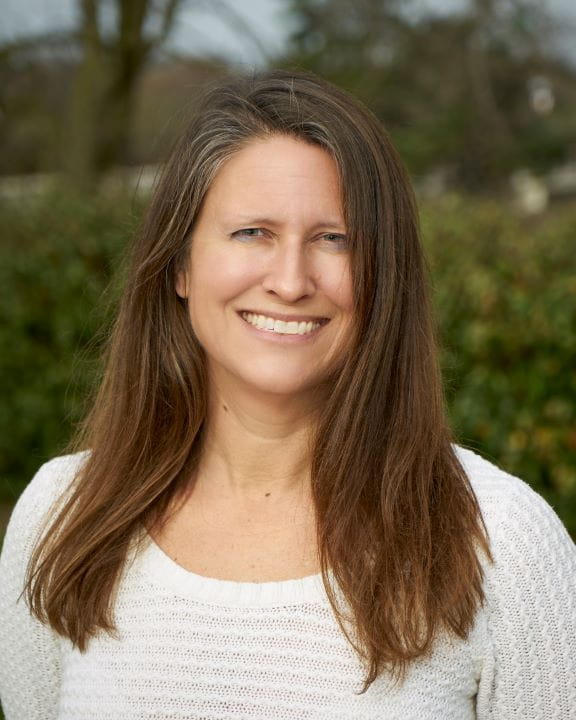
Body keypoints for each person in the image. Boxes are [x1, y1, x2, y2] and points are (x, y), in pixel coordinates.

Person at [0, 69, 575, 720]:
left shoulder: (503, 542)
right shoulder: (62, 517)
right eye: (253, 232)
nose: (292, 280)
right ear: (180, 265)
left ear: (385, 274)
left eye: (335, 239)